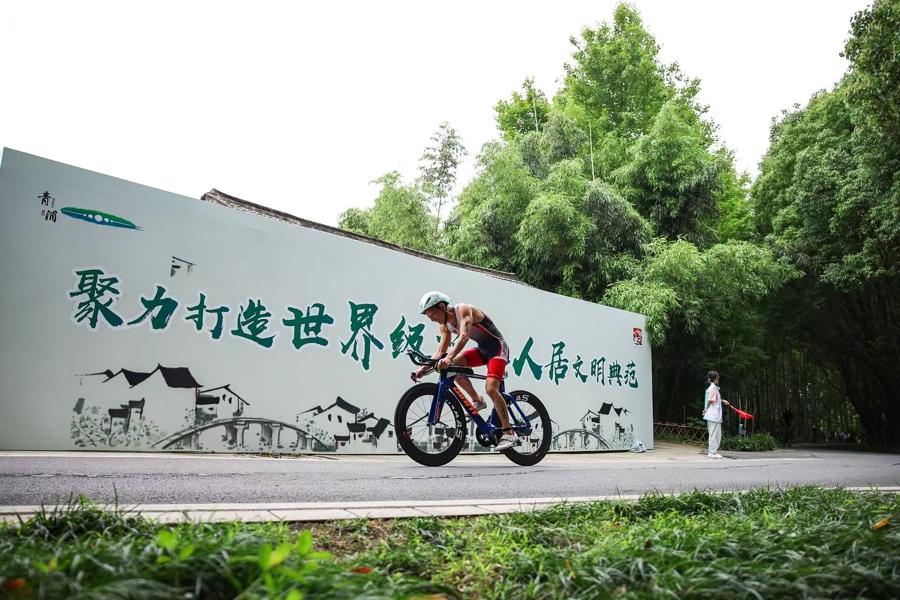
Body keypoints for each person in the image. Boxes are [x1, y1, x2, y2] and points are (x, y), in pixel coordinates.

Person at [412, 291, 518, 451]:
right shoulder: (444, 326)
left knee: (491, 388)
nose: (431, 319)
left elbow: (464, 336)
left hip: (498, 348)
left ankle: (508, 433)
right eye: (428, 316)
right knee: (453, 368)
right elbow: (440, 352)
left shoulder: (463, 310)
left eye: (432, 314)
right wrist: (422, 369)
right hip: (482, 350)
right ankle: (477, 400)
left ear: (441, 306)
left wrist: (448, 358)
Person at [703, 370, 730, 458]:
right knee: (714, 434)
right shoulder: (713, 388)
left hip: (713, 415)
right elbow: (711, 400)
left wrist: (722, 400)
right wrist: (706, 409)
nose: (718, 379)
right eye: (718, 377)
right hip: (713, 415)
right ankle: (712, 452)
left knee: (716, 434)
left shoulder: (712, 388)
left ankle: (713, 452)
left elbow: (713, 399)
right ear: (715, 379)